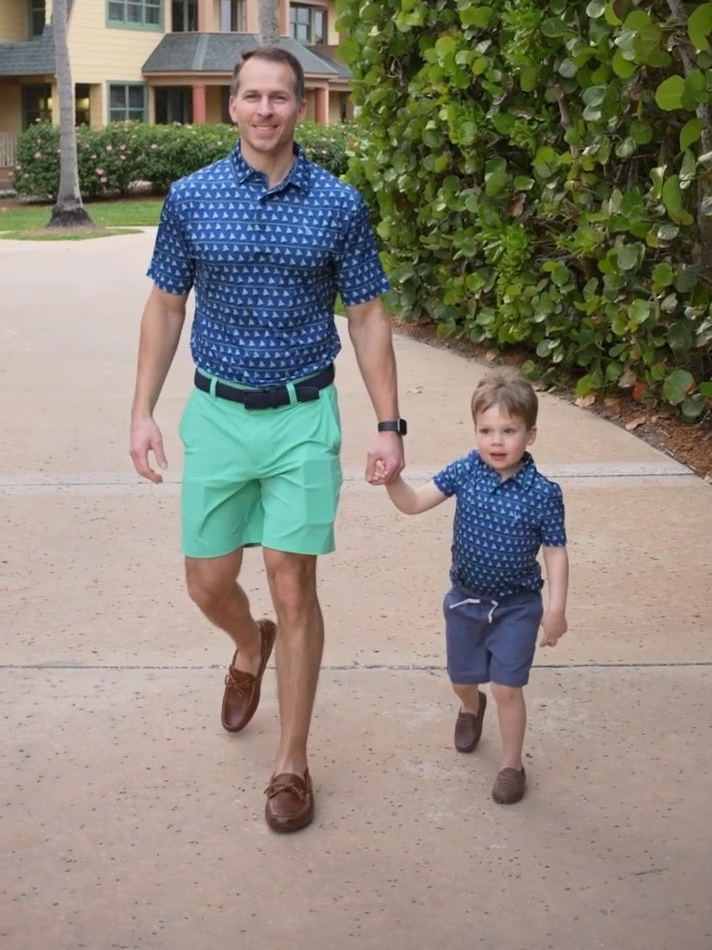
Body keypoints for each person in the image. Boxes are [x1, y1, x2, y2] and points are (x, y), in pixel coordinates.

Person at [129, 45, 406, 833]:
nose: (264, 109)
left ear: (301, 105)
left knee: (295, 584)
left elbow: (367, 315)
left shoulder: (337, 204)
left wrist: (388, 423)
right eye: (251, 96)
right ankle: (248, 642)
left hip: (301, 415)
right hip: (216, 414)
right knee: (208, 583)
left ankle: (292, 762)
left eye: (278, 97)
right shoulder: (192, 196)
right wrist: (142, 410)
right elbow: (165, 305)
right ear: (233, 105)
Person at [375, 366, 568, 805]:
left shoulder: (543, 493)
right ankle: (469, 706)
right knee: (463, 678)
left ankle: (511, 764)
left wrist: (555, 608)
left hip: (518, 605)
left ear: (530, 434)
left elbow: (555, 551)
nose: (496, 441)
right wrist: (393, 481)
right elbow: (415, 502)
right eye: (486, 430)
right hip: (465, 600)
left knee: (506, 686)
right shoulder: (467, 470)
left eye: (509, 430)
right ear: (474, 430)